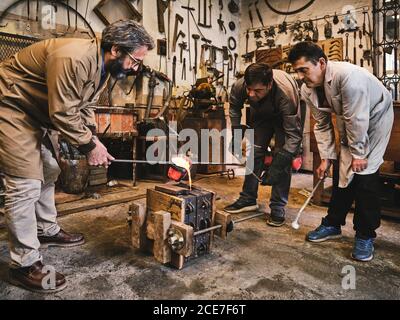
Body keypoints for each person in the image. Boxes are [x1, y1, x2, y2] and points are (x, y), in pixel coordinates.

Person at [0, 20, 154, 292]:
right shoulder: (74, 57)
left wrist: (93, 138)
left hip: (35, 113)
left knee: (49, 169)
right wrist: (89, 146)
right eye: (135, 60)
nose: (136, 68)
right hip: (11, 106)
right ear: (117, 50)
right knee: (25, 183)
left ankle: (45, 230)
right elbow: (62, 113)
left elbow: (84, 105)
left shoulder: (102, 66)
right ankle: (24, 264)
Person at [288, 41, 394, 262]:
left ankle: (365, 234)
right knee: (341, 174)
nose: (299, 76)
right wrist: (327, 157)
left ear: (322, 63)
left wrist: (358, 154)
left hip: (375, 118)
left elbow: (358, 119)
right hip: (351, 120)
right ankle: (333, 223)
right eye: (296, 71)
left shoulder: (349, 78)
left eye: (303, 70)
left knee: (364, 176)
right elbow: (322, 123)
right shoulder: (308, 89)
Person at [224, 63, 303, 227]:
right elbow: (234, 108)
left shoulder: (286, 95)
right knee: (255, 153)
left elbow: (293, 136)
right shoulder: (241, 86)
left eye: (257, 91)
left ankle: (278, 206)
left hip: (284, 118)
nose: (251, 94)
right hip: (260, 114)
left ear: (269, 84)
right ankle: (248, 198)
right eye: (249, 89)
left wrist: (277, 165)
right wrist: (237, 135)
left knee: (282, 158)